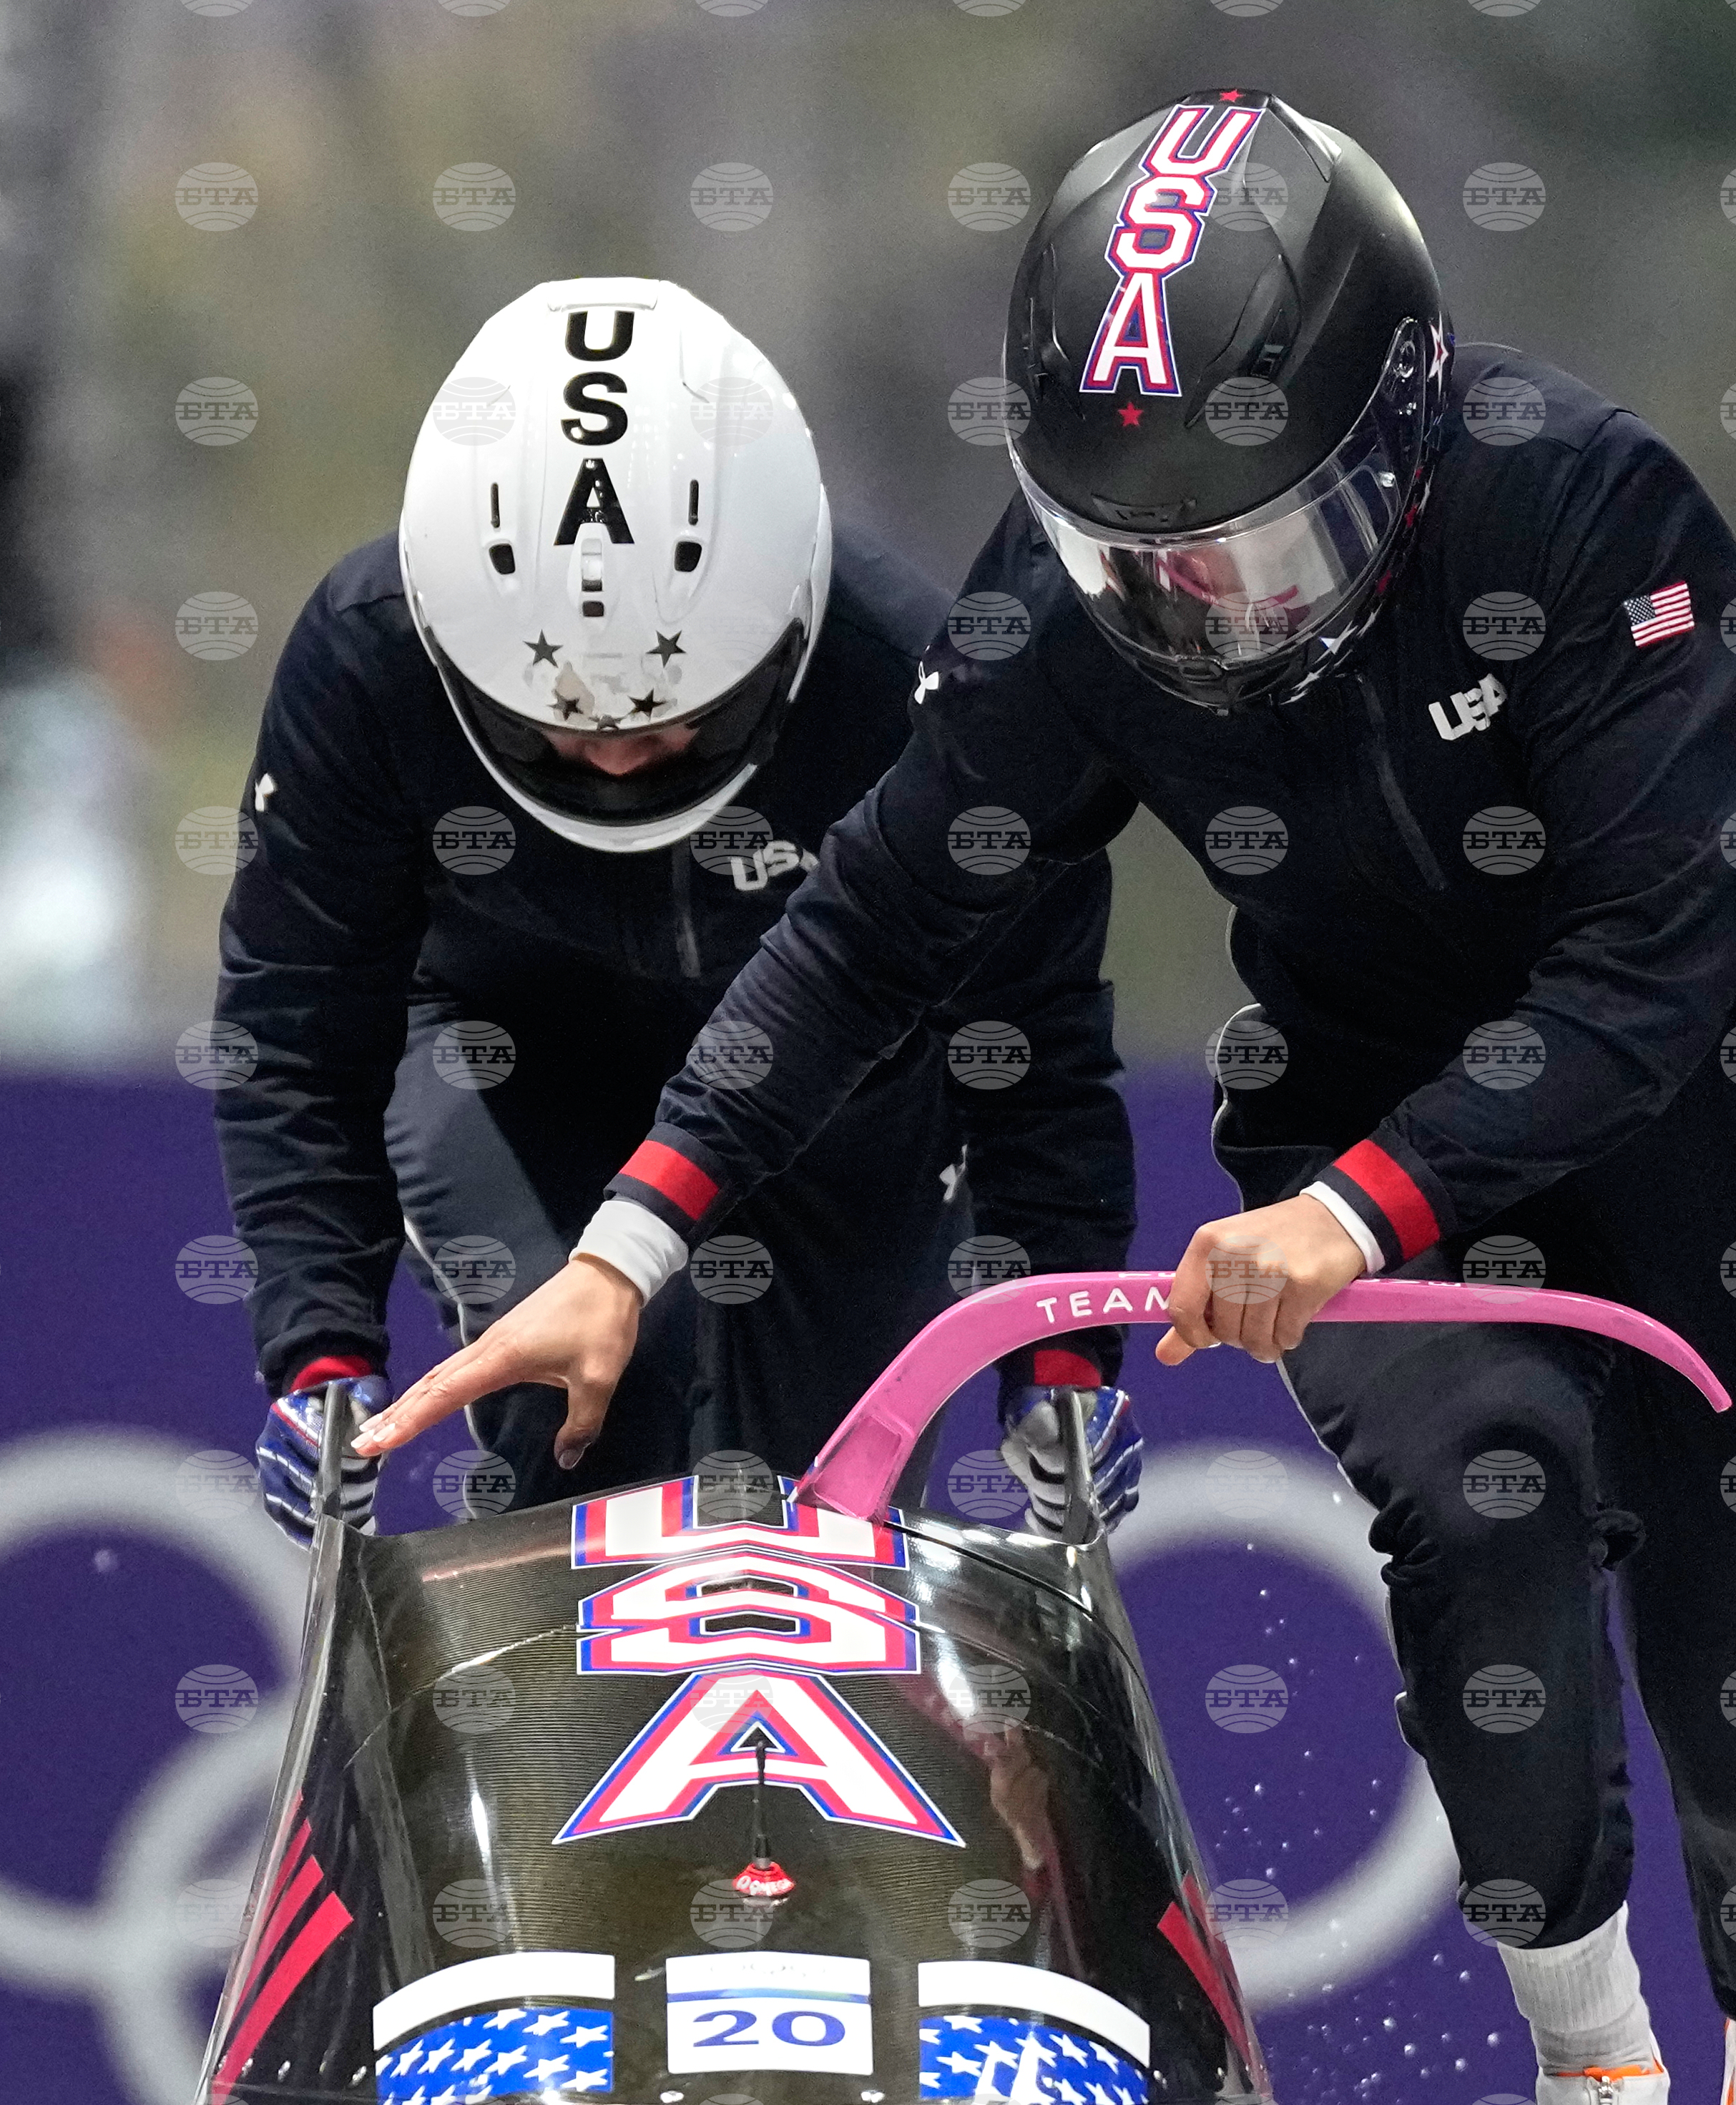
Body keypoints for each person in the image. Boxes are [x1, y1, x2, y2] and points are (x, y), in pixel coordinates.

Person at [358, 107, 1736, 2105]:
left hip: (1715, 1159)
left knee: (1735, 1728)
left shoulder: (1592, 516)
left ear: (1394, 440)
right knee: (1478, 1541)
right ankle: (1592, 2052)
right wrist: (631, 1233)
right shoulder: (1093, 601)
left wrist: (1347, 1209)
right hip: (1353, 1143)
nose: (1206, 614)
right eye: (1142, 562)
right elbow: (881, 907)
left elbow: (1651, 961)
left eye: (1259, 554)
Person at [215, 275, 1142, 1543]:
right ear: (449, 642)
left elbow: (1031, 1035)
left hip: (842, 1081)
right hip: (515, 1050)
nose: (609, 761)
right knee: (588, 1407)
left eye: (673, 721)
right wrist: (316, 1344)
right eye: (549, 729)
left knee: (817, 1519)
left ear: (788, 635)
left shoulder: (914, 676)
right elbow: (298, 1027)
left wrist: (1062, 1355)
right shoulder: (365, 665)